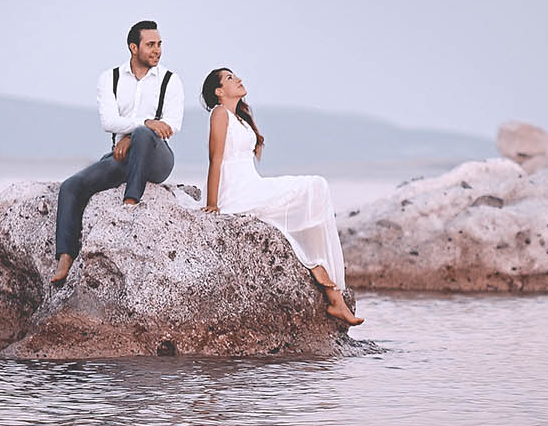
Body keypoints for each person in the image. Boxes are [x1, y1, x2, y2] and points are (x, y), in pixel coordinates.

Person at [200, 67, 362, 326]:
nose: (239, 79)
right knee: (315, 186)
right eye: (230, 78)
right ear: (219, 92)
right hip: (236, 192)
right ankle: (327, 284)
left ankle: (332, 295)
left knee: (316, 189)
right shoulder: (220, 113)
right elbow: (215, 159)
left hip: (252, 185)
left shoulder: (240, 118)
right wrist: (212, 204)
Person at [50, 20, 185, 284]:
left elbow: (171, 125)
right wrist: (139, 127)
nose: (157, 50)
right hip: (121, 157)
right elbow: (108, 122)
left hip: (158, 158)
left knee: (146, 135)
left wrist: (135, 135)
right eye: (150, 45)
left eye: (159, 44)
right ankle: (65, 257)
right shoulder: (109, 78)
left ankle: (130, 202)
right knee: (71, 186)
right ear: (134, 47)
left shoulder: (171, 80)